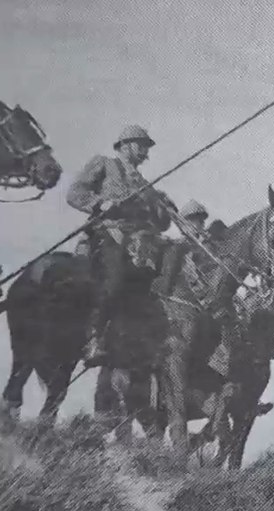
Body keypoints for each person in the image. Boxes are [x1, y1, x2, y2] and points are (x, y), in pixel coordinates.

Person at [66, 124, 172, 367]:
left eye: (146, 147)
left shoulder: (146, 185)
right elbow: (74, 193)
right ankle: (93, 339)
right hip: (109, 233)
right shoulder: (104, 164)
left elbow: (162, 224)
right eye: (141, 145)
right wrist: (99, 203)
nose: (145, 151)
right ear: (125, 145)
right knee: (113, 281)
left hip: (141, 244)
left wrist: (163, 207)